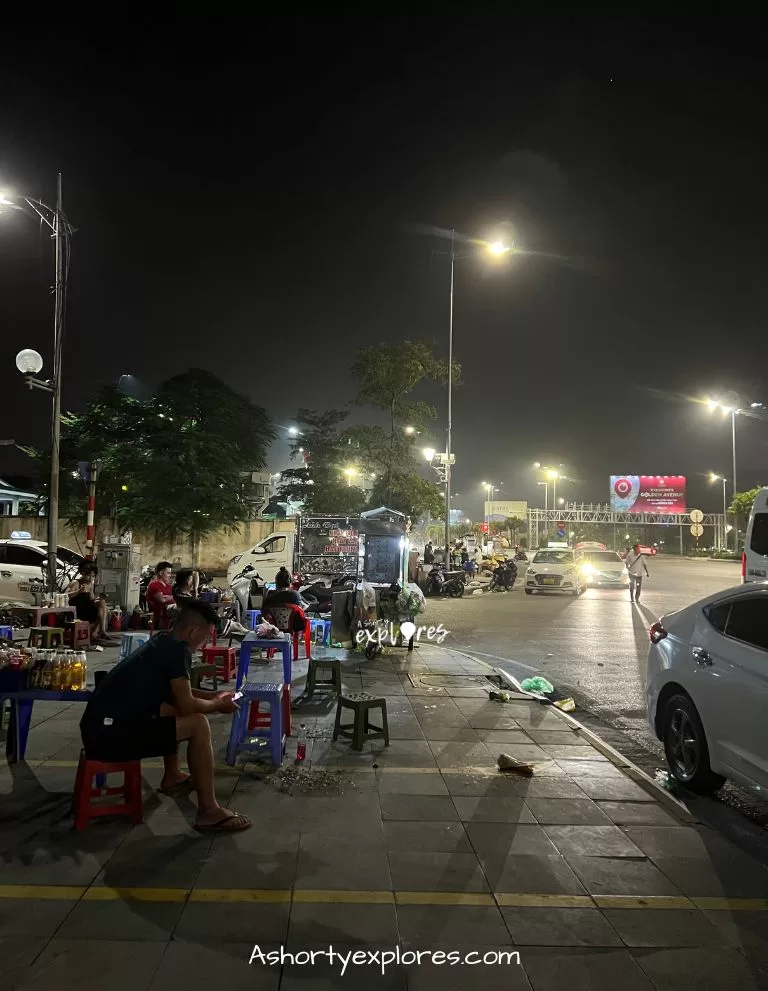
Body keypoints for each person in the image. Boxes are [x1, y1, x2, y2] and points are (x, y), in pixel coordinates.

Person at [79, 599, 250, 832]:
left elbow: (178, 693)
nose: (204, 644)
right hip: (111, 737)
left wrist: (214, 695)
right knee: (198, 724)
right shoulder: (178, 651)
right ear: (192, 631)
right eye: (205, 636)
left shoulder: (163, 641)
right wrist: (218, 704)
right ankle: (209, 811)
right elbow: (189, 705)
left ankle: (172, 776)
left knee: (172, 707)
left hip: (97, 728)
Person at [66, 562, 115, 646]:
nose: (90, 578)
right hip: (78, 610)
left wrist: (99, 598)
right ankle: (96, 634)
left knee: (103, 604)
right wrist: (78, 591)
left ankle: (99, 632)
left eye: (93, 576)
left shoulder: (90, 585)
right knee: (102, 608)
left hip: (87, 608)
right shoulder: (76, 582)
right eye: (88, 575)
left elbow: (92, 599)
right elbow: (65, 595)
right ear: (83, 573)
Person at [146, 561, 176, 629]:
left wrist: (170, 597)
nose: (170, 575)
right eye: (168, 573)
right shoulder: (154, 585)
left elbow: (172, 597)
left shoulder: (168, 586)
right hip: (161, 617)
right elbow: (162, 599)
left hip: (171, 615)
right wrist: (173, 597)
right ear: (161, 573)